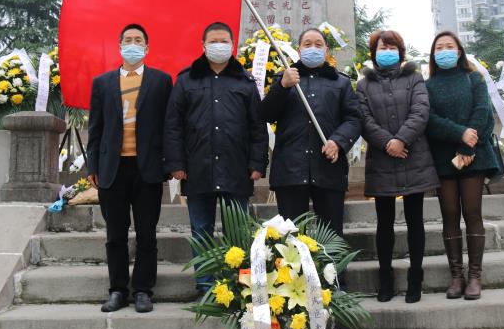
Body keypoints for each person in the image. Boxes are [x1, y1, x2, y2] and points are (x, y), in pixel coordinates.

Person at [165, 22, 268, 296]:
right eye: (213, 41)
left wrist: (258, 163)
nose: (219, 45)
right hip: (197, 168)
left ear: (232, 45)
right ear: (203, 45)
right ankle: (205, 285)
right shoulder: (186, 80)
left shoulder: (245, 82)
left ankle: (239, 285)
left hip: (237, 169)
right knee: (201, 231)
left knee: (238, 232)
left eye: (224, 40)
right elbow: (173, 125)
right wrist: (176, 164)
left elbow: (257, 126)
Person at [87, 23, 173, 313]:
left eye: (138, 40)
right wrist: (93, 166)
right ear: (120, 46)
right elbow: (95, 128)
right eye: (128, 40)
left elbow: (168, 126)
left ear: (147, 48)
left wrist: (169, 163)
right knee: (115, 234)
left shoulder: (162, 81)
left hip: (147, 168)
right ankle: (117, 290)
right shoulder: (103, 83)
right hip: (113, 168)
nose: (133, 44)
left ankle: (143, 290)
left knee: (147, 233)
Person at [356, 30, 438, 304]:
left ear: (400, 51)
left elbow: (421, 111)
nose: (387, 50)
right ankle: (386, 279)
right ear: (374, 52)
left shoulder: (414, 78)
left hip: (414, 157)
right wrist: (387, 142)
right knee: (384, 224)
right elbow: (363, 118)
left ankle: (416, 277)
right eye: (382, 46)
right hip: (382, 159)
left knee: (415, 221)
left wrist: (401, 139)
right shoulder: (364, 84)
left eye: (392, 46)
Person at [260, 28, 362, 239]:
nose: (313, 48)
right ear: (298, 49)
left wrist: (338, 141)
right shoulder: (285, 78)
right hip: (290, 171)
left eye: (318, 44)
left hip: (328, 170)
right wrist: (282, 86)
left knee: (331, 237)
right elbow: (266, 114)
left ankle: (334, 273)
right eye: (307, 44)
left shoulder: (340, 82)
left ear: (326, 50)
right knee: (290, 239)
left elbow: (354, 119)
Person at [425, 31, 499, 300]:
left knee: (472, 212)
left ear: (459, 52)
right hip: (443, 157)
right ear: (434, 54)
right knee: (450, 214)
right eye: (439, 47)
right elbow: (429, 120)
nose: (444, 50)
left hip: (474, 156)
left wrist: (467, 146)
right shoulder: (428, 85)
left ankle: (475, 277)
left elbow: (483, 112)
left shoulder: (474, 78)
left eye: (449, 46)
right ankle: (456, 275)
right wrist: (459, 134)